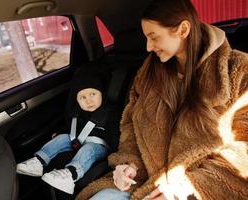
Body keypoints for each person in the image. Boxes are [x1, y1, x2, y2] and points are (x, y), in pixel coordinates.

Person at [76, 0, 248, 199]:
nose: (148, 47)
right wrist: (129, 165)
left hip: (201, 189)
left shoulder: (239, 71)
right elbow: (131, 127)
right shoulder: (148, 73)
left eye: (154, 37)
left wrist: (186, 187)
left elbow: (243, 151)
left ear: (183, 30)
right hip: (145, 182)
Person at [16, 67, 116, 195]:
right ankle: (39, 161)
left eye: (93, 94)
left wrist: (115, 152)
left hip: (99, 147)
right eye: (82, 98)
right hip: (77, 140)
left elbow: (116, 133)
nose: (88, 100)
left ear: (102, 93)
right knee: (62, 138)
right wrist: (59, 133)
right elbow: (70, 127)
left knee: (88, 149)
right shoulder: (76, 112)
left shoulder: (110, 112)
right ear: (77, 100)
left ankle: (70, 175)